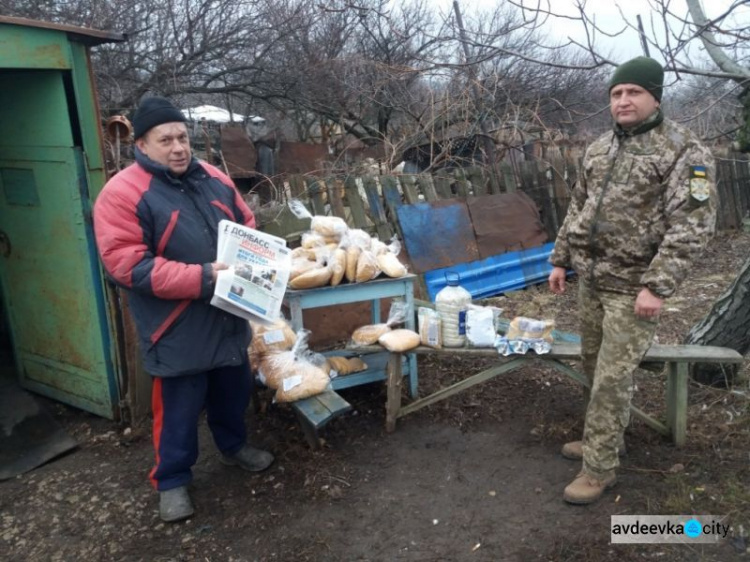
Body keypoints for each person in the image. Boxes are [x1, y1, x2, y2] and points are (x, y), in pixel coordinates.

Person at [93, 96, 273, 523]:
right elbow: (127, 266)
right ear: (141, 144)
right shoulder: (122, 194)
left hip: (228, 313)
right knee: (178, 409)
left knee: (233, 390)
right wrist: (204, 276)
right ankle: (172, 479)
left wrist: (259, 260)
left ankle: (233, 446)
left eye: (182, 137)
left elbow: (247, 224)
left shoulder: (213, 178)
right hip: (175, 324)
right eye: (165, 139)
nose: (178, 147)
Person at [547, 57, 717, 505]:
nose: (623, 100)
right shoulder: (600, 147)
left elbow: (693, 225)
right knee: (590, 364)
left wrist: (657, 286)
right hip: (593, 282)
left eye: (634, 92)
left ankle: (600, 469)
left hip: (633, 288)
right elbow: (579, 208)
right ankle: (603, 437)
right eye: (616, 93)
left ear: (655, 96)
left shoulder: (683, 150)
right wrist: (561, 259)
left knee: (611, 379)